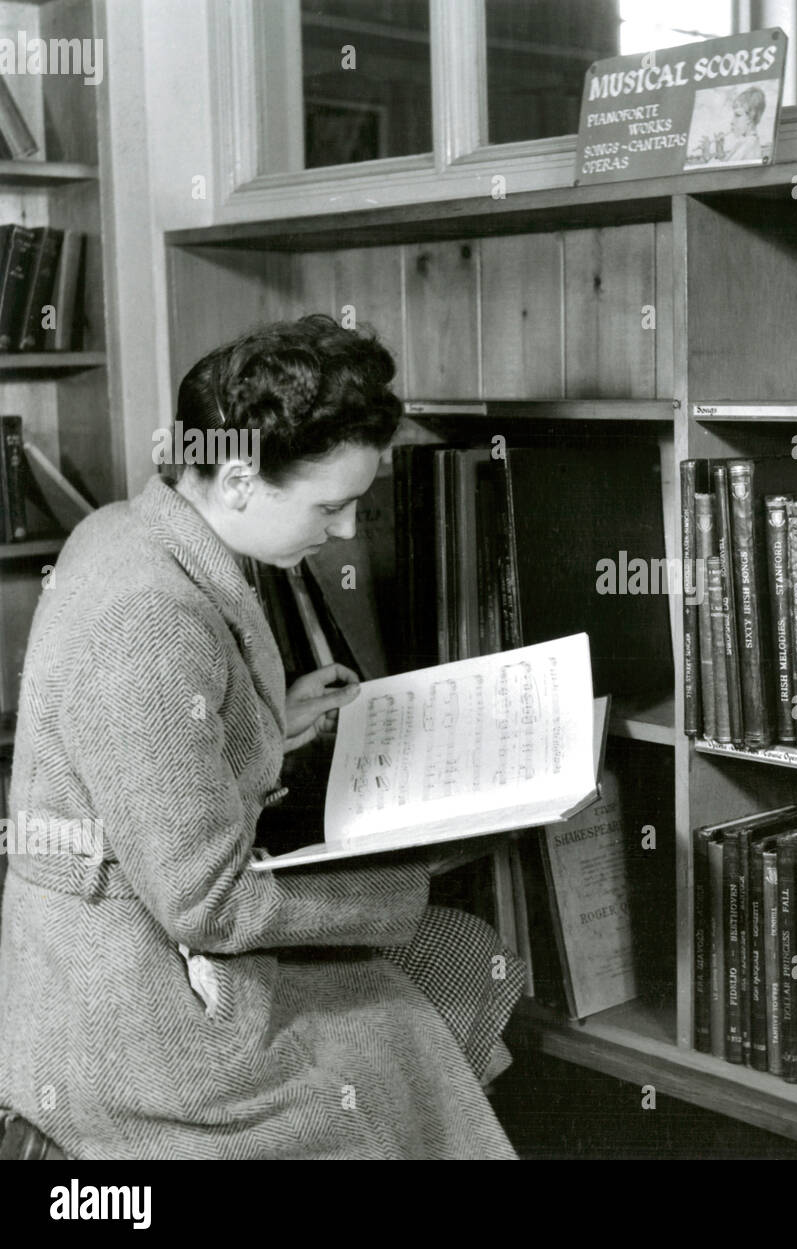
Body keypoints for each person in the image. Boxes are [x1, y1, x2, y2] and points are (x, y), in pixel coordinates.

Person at [0, 315, 523, 1159]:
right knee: (425, 995)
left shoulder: (129, 528)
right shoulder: (147, 619)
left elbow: (148, 751)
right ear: (239, 476)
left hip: (114, 949)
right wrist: (401, 886)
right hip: (133, 1013)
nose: (349, 530)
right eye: (333, 504)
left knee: (457, 961)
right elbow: (208, 904)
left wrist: (266, 714)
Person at [724, 86, 767, 163]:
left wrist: (707, 156)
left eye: (738, 115)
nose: (732, 121)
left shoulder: (748, 144)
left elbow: (724, 171)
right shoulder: (747, 141)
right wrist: (720, 151)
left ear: (751, 117)